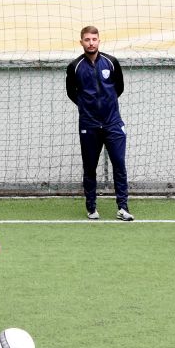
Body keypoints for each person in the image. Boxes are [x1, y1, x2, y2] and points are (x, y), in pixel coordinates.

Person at [66, 26, 134, 221]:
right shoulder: (75, 66)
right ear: (81, 42)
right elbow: (71, 92)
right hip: (89, 124)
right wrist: (87, 108)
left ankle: (123, 208)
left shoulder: (111, 62)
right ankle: (91, 208)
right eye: (87, 39)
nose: (91, 43)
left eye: (94, 39)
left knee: (119, 164)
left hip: (113, 123)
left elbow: (119, 88)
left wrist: (107, 105)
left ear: (99, 41)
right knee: (90, 167)